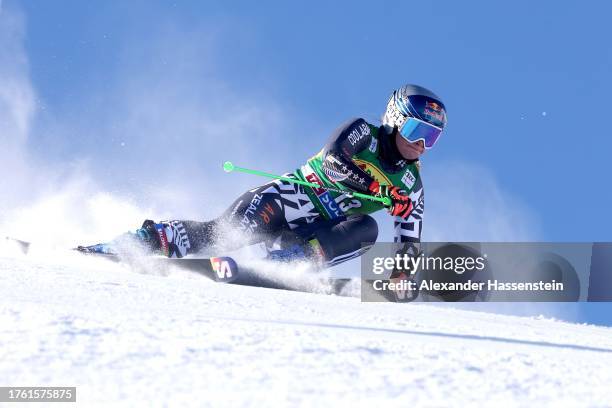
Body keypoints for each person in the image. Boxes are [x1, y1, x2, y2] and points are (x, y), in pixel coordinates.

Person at [82, 84, 447, 270]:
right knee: (220, 238)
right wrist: (376, 187)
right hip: (285, 201)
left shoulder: (411, 186)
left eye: (432, 137)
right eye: (417, 130)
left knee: (368, 228)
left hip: (312, 234)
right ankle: (135, 243)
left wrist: (401, 279)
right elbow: (335, 159)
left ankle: (291, 264)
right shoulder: (362, 132)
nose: (421, 145)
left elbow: (408, 245)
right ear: (396, 118)